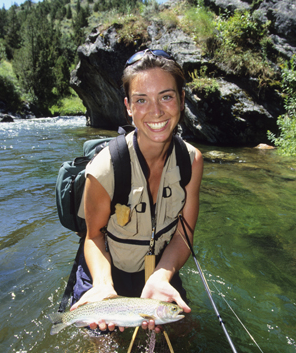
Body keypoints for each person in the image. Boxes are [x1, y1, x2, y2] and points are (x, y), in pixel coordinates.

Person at [70, 49, 203, 332]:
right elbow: (93, 236)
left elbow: (184, 234)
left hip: (156, 269)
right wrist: (104, 286)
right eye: (142, 100)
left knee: (184, 334)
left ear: (181, 100)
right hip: (105, 269)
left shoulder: (191, 161)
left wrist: (162, 276)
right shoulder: (104, 168)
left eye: (166, 96)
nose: (156, 111)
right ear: (128, 106)